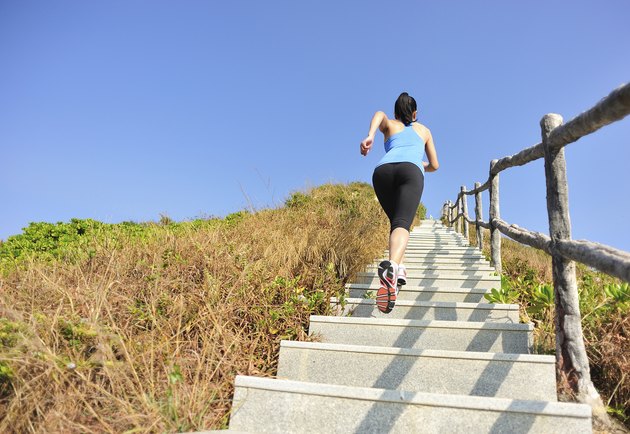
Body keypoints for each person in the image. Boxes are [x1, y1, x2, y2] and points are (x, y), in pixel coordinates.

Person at [360, 92, 439, 313]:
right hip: (410, 172)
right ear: (415, 113)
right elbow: (435, 165)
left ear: (396, 112)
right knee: (402, 224)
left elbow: (379, 113)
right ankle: (392, 267)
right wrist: (417, 162)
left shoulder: (391, 125)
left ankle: (400, 267)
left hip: (382, 172)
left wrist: (370, 136)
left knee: (396, 222)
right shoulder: (423, 130)